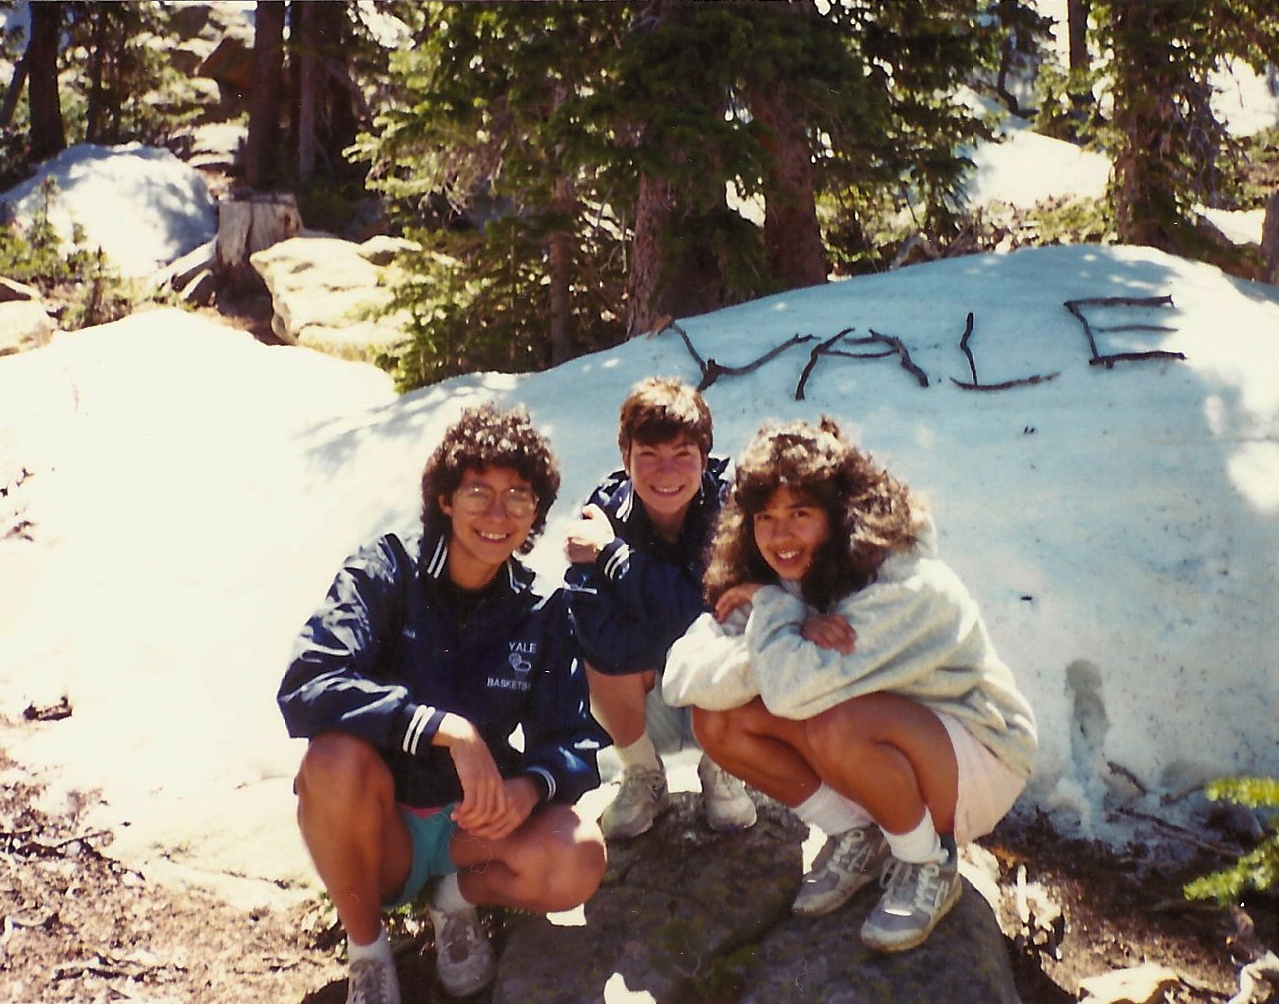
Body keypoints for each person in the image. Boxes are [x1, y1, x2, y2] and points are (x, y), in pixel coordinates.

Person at [662, 417, 1037, 952]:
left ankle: (929, 862)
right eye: (764, 517)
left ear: (839, 514)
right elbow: (682, 675)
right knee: (717, 719)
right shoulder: (787, 576)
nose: (779, 535)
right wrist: (783, 626)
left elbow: (793, 692)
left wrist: (774, 614)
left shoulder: (905, 582)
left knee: (835, 721)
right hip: (885, 750)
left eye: (800, 513)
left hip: (977, 756)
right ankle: (856, 834)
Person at [277, 403, 607, 1003]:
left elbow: (575, 740)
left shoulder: (539, 609)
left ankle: (454, 904)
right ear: (446, 499)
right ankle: (369, 950)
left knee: (578, 854)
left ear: (536, 513)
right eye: (479, 491)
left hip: (469, 829)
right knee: (330, 761)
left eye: (519, 496)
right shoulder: (387, 570)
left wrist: (529, 787)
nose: (498, 514)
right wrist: (441, 727)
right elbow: (308, 683)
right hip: (381, 829)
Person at [563, 376, 757, 839]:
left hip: (721, 696)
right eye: (648, 456)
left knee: (743, 632)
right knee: (596, 656)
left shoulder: (734, 508)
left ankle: (722, 769)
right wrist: (681, 622)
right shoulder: (602, 513)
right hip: (646, 702)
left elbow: (728, 616)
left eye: (682, 456)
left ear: (705, 458)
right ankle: (644, 774)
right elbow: (594, 629)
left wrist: (613, 557)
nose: (665, 473)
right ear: (625, 459)